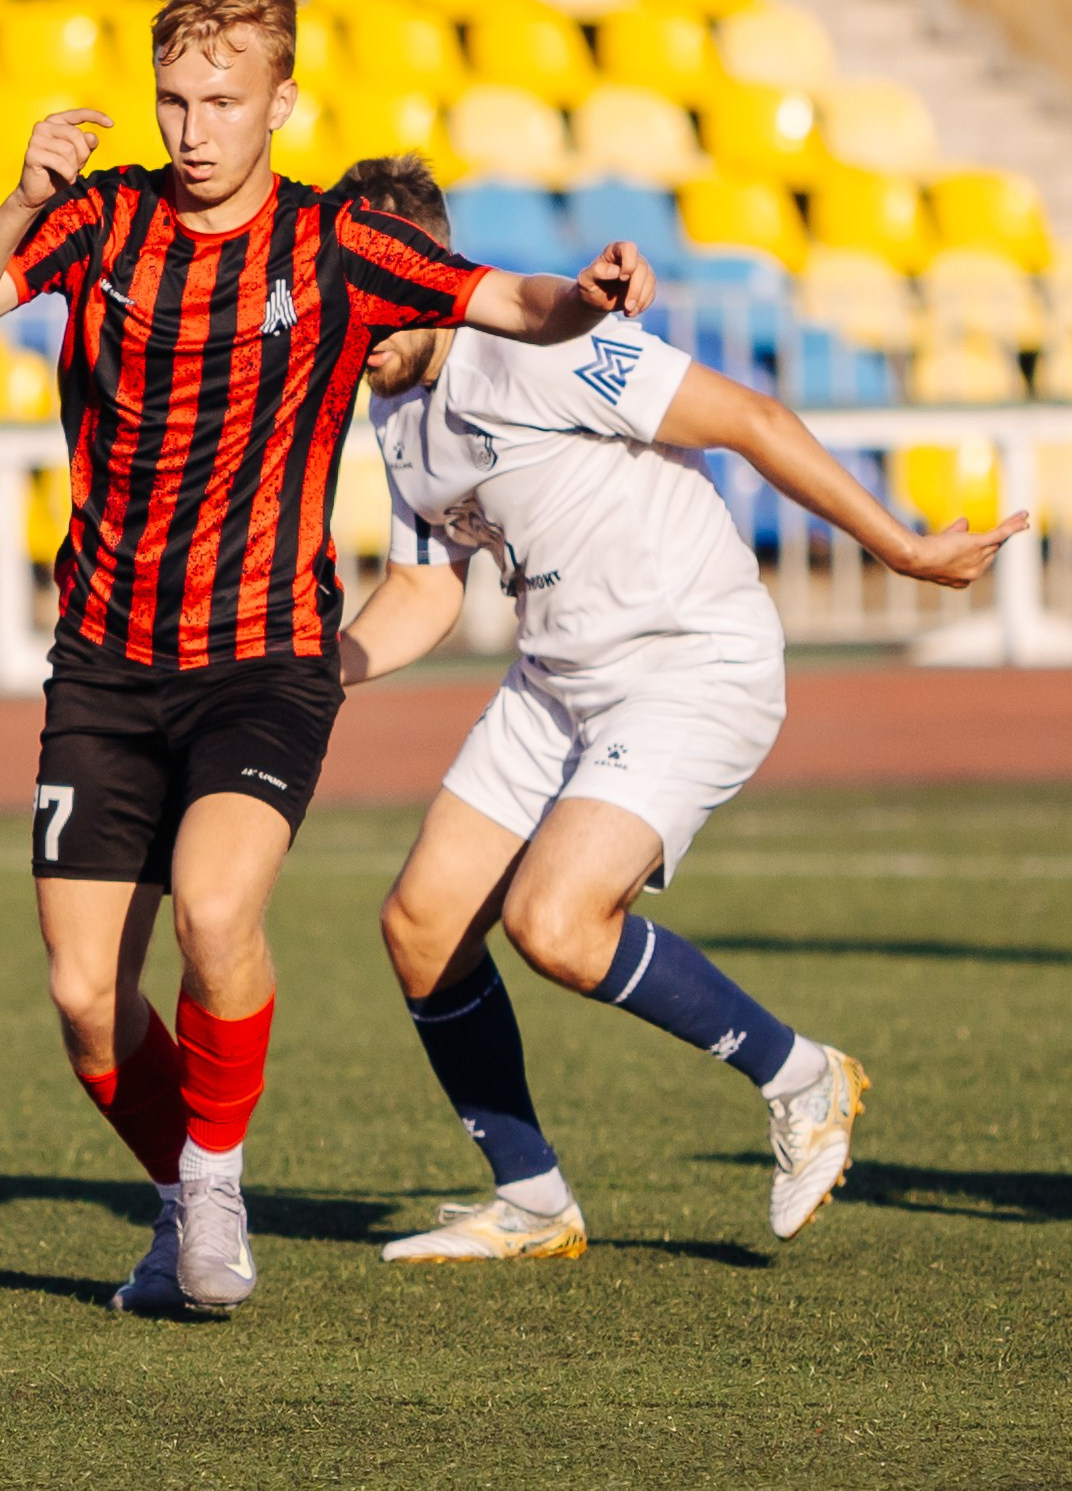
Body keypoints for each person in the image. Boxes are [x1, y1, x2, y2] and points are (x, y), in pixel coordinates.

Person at [0, 0, 659, 1316]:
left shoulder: (338, 245)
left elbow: (510, 301)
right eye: (171, 99)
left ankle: (212, 1182)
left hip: (264, 657)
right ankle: (179, 1191)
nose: (191, 128)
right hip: (102, 660)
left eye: (220, 99)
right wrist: (25, 194)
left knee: (214, 909)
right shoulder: (101, 219)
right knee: (88, 996)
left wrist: (593, 289)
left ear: (282, 102)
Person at [328, 154, 1026, 1262]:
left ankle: (803, 1075)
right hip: (555, 683)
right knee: (421, 925)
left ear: (428, 272)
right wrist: (311, 667)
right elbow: (422, 590)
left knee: (553, 922)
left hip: (688, 658)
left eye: (365, 292)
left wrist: (901, 547)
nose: (342, 319)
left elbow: (745, 415)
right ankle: (532, 1199)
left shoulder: (536, 345)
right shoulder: (392, 406)